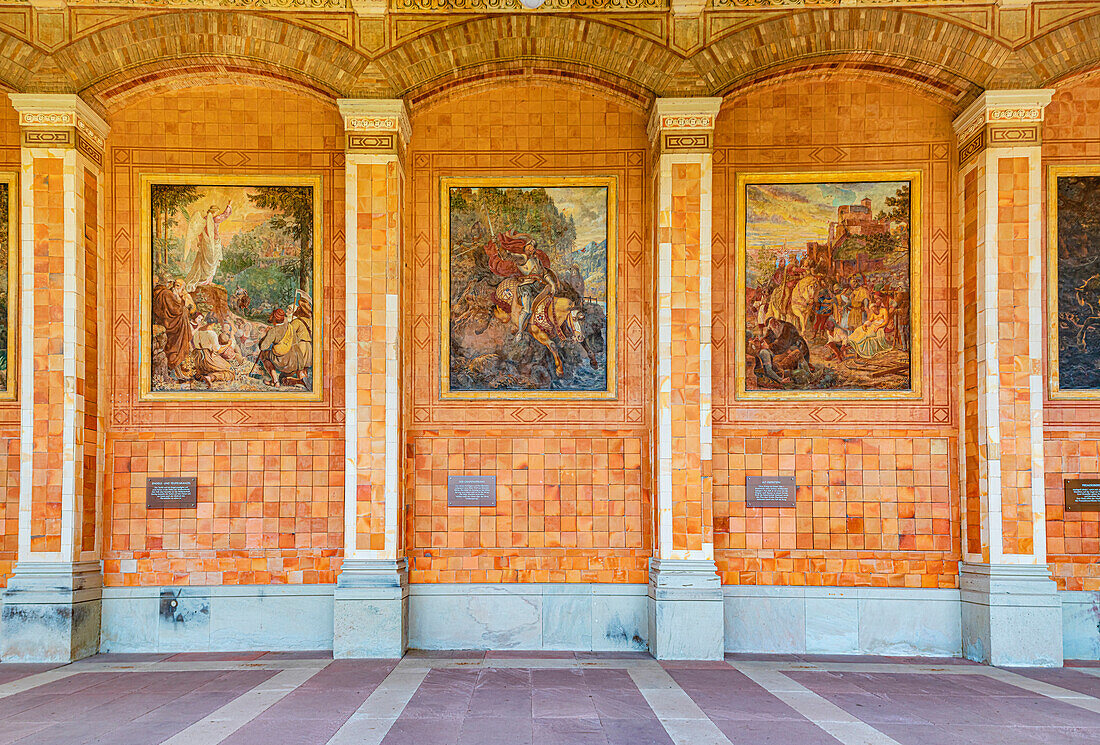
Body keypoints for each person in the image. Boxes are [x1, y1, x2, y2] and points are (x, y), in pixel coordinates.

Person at [484, 231, 561, 340]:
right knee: (528, 310)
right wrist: (497, 246)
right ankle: (520, 331)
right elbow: (507, 256)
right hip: (527, 287)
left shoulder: (537, 261)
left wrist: (552, 284)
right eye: (530, 246)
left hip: (539, 286)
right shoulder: (522, 258)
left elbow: (545, 274)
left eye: (533, 247)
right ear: (525, 247)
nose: (532, 249)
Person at [182, 203, 232, 290]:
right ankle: (208, 280)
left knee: (205, 261)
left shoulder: (203, 219)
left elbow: (200, 233)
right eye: (217, 211)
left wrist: (200, 242)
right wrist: (229, 205)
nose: (217, 213)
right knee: (212, 262)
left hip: (205, 243)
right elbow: (225, 215)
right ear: (215, 211)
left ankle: (206, 280)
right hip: (213, 243)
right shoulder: (215, 219)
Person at [151, 278, 193, 377]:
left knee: (176, 349)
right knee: (175, 349)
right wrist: (185, 309)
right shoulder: (167, 294)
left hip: (171, 325)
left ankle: (177, 372)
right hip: (172, 326)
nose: (175, 287)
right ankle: (175, 372)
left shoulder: (166, 294)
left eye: (178, 286)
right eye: (174, 284)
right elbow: (175, 310)